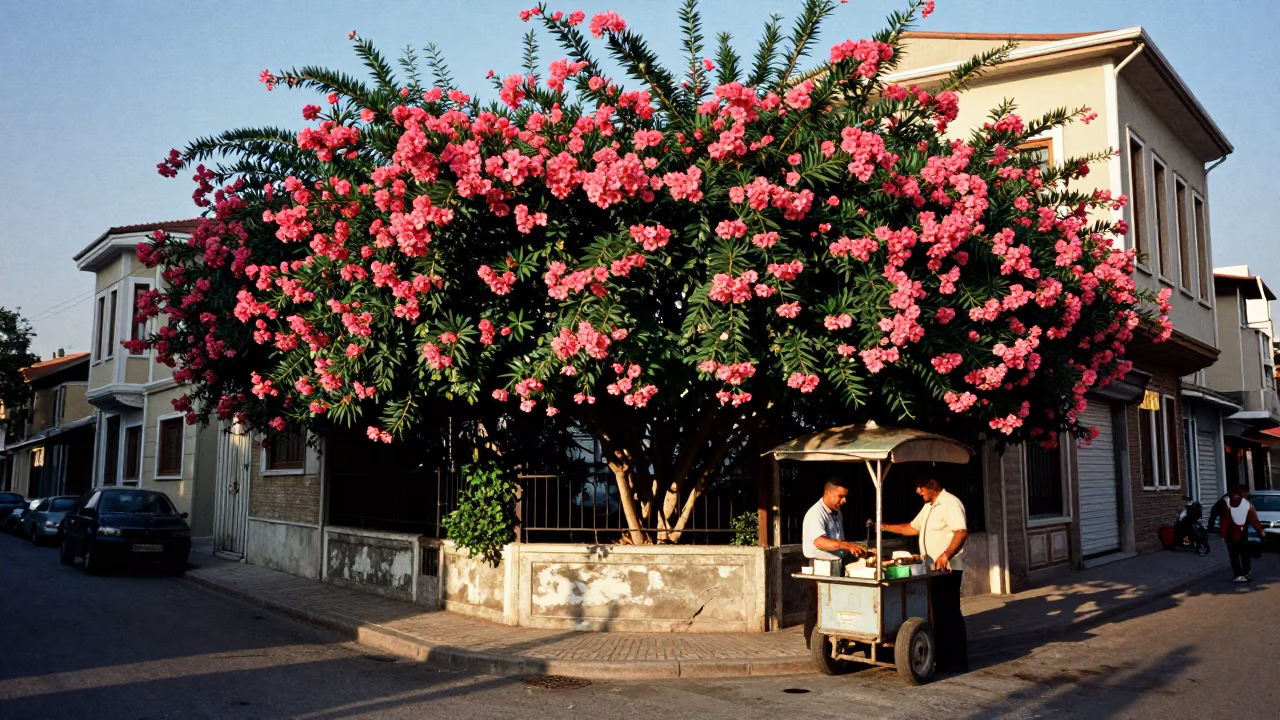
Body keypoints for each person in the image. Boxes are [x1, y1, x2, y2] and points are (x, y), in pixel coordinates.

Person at [880, 475, 970, 672]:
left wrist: (945, 555)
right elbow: (912, 528)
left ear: (932, 483)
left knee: (949, 613)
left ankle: (957, 661)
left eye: (920, 487)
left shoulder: (950, 503)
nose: (917, 491)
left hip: (947, 568)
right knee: (935, 613)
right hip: (931, 569)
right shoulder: (929, 506)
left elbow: (961, 532)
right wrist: (885, 527)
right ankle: (942, 658)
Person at [802, 478, 873, 647]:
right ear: (828, 493)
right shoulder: (815, 513)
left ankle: (834, 643)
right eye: (841, 496)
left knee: (835, 607)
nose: (844, 501)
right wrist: (846, 545)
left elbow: (838, 541)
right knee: (817, 609)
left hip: (836, 565)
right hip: (819, 566)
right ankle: (814, 647)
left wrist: (852, 550)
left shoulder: (837, 513)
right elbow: (820, 542)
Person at [1221, 484, 1266, 583]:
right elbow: (1254, 519)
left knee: (1234, 556)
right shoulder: (1248, 505)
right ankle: (1246, 573)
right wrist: (1260, 531)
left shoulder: (1228, 504)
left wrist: (1223, 534)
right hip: (1242, 533)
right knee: (1244, 553)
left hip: (1230, 534)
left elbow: (1225, 521)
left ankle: (1238, 575)